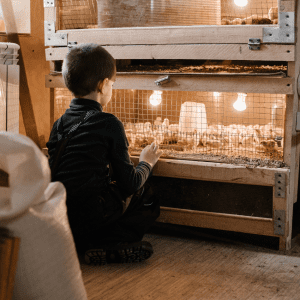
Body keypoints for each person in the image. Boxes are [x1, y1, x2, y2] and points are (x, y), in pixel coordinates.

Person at [46, 43, 162, 265]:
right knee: (148, 196)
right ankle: (111, 242)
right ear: (102, 85)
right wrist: (146, 162)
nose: (112, 88)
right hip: (92, 215)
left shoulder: (59, 123)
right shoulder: (109, 123)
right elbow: (130, 183)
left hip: (59, 215)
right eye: (112, 83)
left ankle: (82, 242)